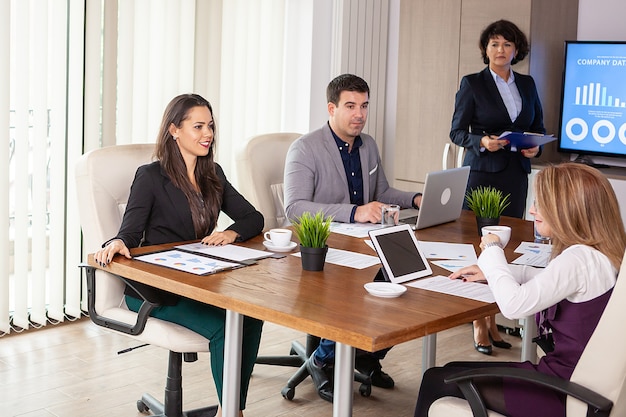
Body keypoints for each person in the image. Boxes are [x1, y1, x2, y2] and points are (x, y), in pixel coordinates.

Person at [93, 94, 264, 417]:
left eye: (210, 126)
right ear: (174, 130)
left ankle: (231, 409)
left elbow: (254, 218)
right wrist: (116, 242)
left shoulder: (213, 175)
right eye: (198, 126)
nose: (207, 134)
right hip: (153, 291)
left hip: (198, 282)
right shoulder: (151, 176)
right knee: (225, 326)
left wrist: (231, 232)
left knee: (252, 315)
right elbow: (130, 232)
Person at [413, 162, 626, 417]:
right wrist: (493, 272)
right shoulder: (603, 255)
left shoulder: (577, 258)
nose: (533, 210)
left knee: (437, 379)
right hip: (585, 388)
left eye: (541, 204)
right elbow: (551, 280)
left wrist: (492, 250)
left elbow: (514, 305)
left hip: (563, 390)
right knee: (451, 371)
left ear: (568, 209)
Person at [284, 73, 422, 402]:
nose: (359, 114)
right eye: (350, 106)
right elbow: (294, 207)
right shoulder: (305, 148)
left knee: (407, 276)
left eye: (364, 106)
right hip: (322, 248)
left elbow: (382, 192)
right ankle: (323, 359)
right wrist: (354, 211)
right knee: (360, 291)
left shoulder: (368, 145)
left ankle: (367, 356)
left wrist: (416, 199)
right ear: (331, 108)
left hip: (366, 242)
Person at [450, 19, 546, 354]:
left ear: (516, 50)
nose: (500, 50)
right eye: (494, 44)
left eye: (507, 44)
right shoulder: (472, 83)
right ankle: (479, 322)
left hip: (516, 174)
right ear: (485, 50)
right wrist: (482, 142)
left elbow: (537, 126)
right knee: (482, 247)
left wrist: (536, 147)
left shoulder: (528, 84)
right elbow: (457, 132)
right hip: (483, 173)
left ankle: (494, 317)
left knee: (506, 247)